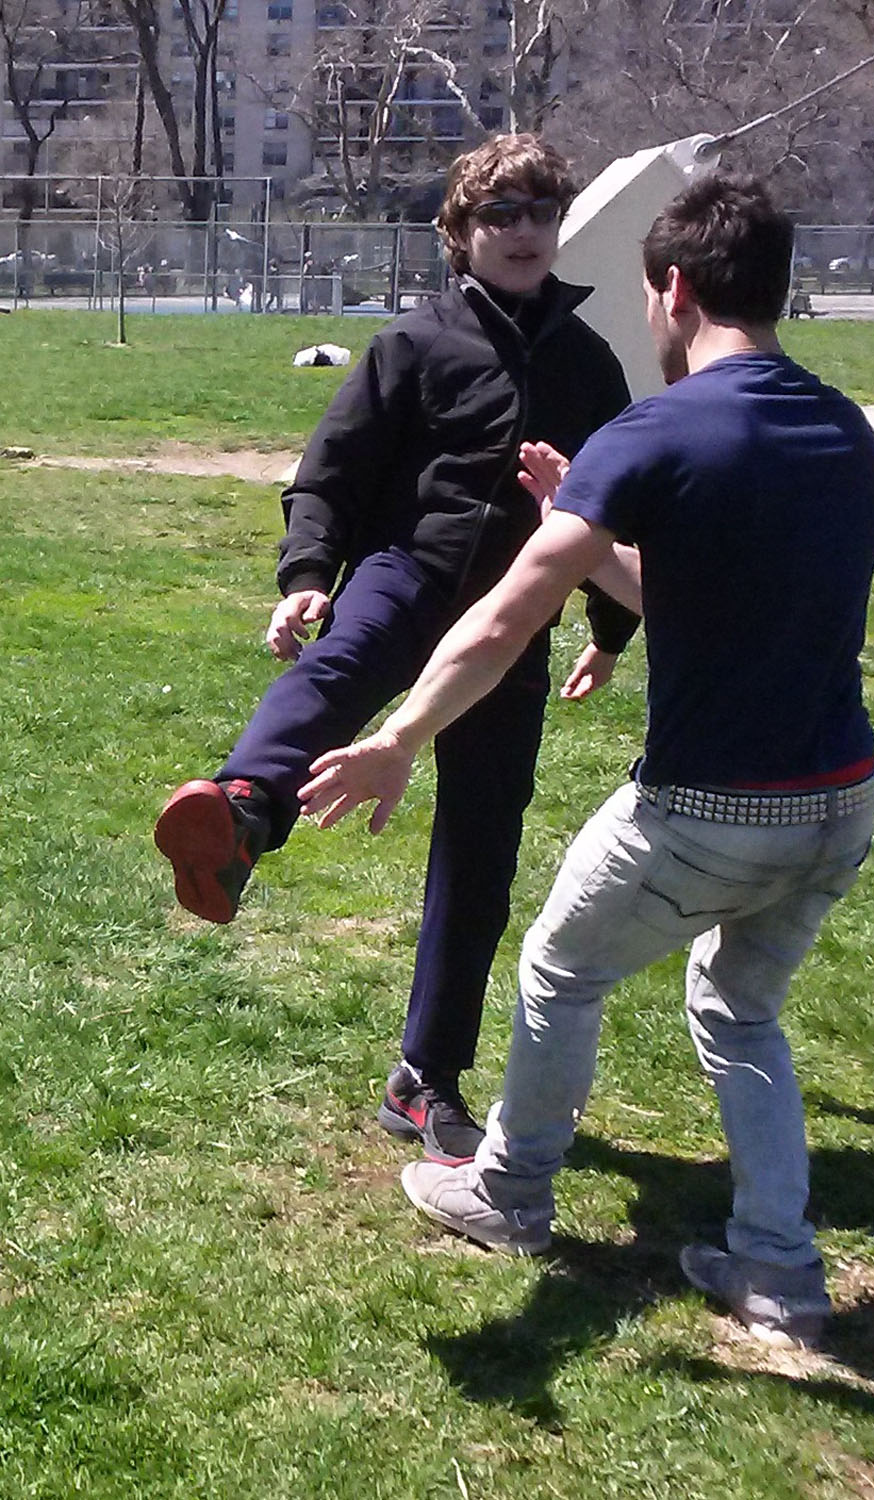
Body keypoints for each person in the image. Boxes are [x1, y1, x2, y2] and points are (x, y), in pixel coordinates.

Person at [298, 175, 874, 1346]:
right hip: (839, 801)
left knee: (560, 970)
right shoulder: (843, 430)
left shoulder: (660, 428)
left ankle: (509, 1192)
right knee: (740, 1013)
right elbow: (694, 596)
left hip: (709, 807)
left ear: (675, 290)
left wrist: (400, 737)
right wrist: (590, 523)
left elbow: (509, 614)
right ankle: (778, 1270)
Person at [154, 134, 637, 1166]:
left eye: (541, 212)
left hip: (515, 612)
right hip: (406, 571)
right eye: (500, 214)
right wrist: (306, 575)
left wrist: (609, 630)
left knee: (482, 843)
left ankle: (427, 1077)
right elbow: (329, 473)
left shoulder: (591, 365)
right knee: (336, 666)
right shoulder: (413, 344)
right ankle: (242, 813)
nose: (524, 230)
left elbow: (617, 508)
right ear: (459, 234)